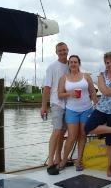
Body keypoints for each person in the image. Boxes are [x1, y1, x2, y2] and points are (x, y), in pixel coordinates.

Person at [58, 55, 98, 171]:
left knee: (83, 135)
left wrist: (97, 105)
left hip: (87, 109)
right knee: (71, 137)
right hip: (72, 110)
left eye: (75, 62)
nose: (73, 64)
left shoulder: (86, 76)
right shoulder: (64, 78)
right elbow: (60, 94)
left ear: (79, 63)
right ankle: (64, 160)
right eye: (71, 62)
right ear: (69, 64)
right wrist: (70, 93)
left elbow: (93, 93)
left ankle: (78, 161)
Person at [41, 42, 69, 175]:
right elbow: (46, 87)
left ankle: (59, 158)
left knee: (62, 133)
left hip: (68, 103)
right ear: (56, 52)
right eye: (60, 51)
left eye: (64, 50)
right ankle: (50, 162)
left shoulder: (71, 65)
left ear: (67, 50)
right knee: (57, 131)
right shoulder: (52, 67)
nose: (62, 52)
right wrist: (43, 106)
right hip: (56, 103)